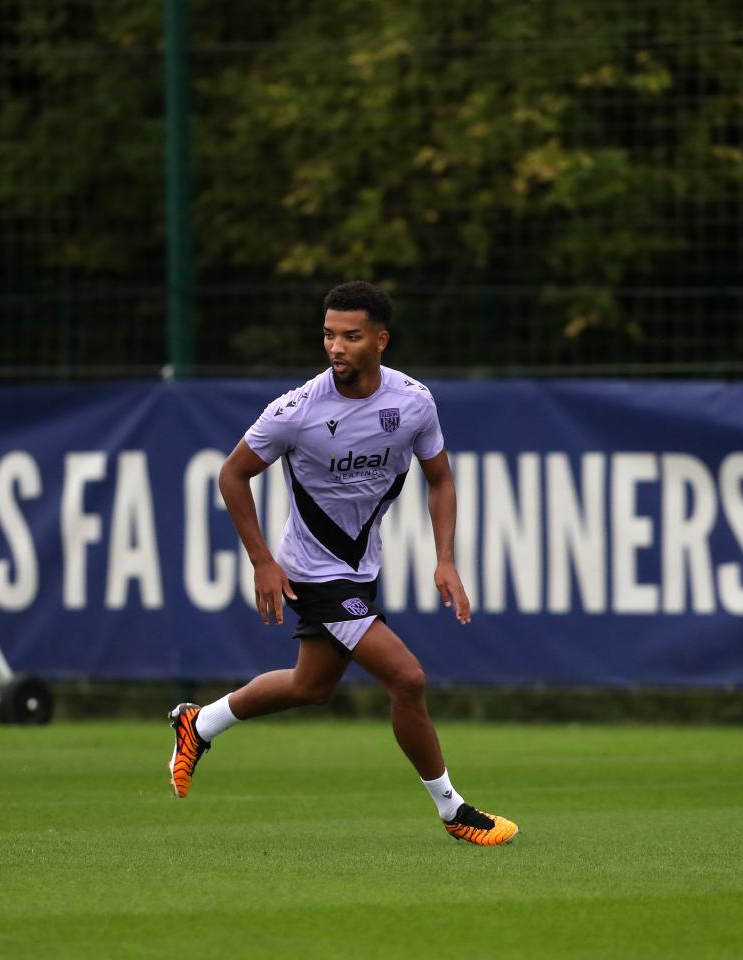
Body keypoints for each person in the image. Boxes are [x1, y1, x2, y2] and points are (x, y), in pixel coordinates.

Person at [168, 280, 517, 846]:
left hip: (359, 567)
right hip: (312, 570)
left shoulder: (412, 402)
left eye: (350, 336)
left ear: (380, 340)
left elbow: (440, 478)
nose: (336, 347)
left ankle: (199, 722)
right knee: (408, 679)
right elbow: (232, 475)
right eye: (328, 335)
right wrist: (262, 562)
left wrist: (445, 559)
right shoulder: (297, 411)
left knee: (311, 687)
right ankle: (453, 811)